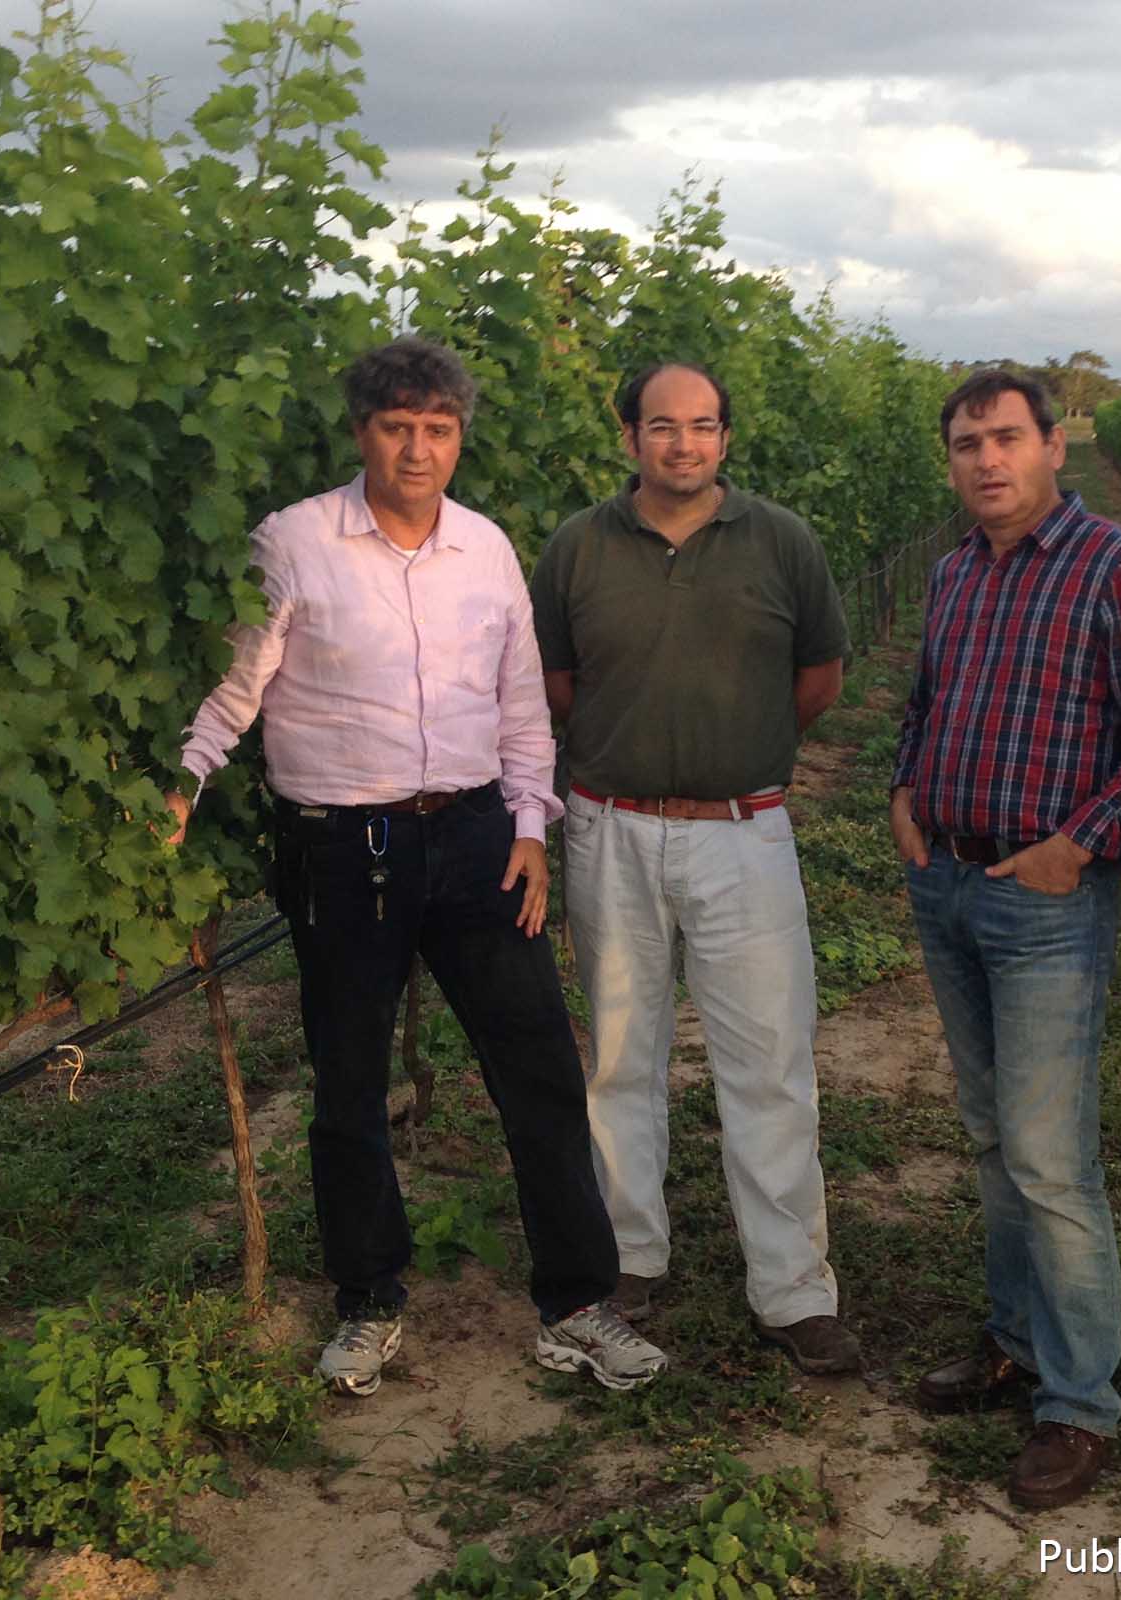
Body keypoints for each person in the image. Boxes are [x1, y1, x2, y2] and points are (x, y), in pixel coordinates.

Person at [167, 336, 666, 1398]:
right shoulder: (293, 543)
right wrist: (182, 783)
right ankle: (368, 1299)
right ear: (362, 433)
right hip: (344, 850)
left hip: (478, 839)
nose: (418, 449)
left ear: (458, 438)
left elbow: (521, 702)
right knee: (349, 1083)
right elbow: (236, 688)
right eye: (398, 427)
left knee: (536, 1068)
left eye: (438, 430)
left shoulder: (485, 549)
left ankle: (577, 1300)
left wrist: (531, 828)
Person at [891, 368, 1121, 1510]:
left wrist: (1085, 843)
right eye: (966, 443)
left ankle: (1079, 1403)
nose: (985, 460)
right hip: (949, 884)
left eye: (1006, 438)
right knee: (988, 1134)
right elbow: (924, 701)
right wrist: (903, 787)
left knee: (1050, 1154)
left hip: (1046, 897)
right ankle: (1013, 1337)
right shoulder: (953, 573)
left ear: (1054, 444)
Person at [530, 363, 861, 1375]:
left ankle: (793, 1291)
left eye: (704, 425)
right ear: (627, 434)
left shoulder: (782, 541)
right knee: (621, 1052)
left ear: (726, 436)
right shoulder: (577, 547)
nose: (684, 444)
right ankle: (627, 1256)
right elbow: (557, 683)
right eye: (663, 426)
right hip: (611, 828)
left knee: (767, 1059)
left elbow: (818, 679)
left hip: (742, 829)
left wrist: (730, 755)